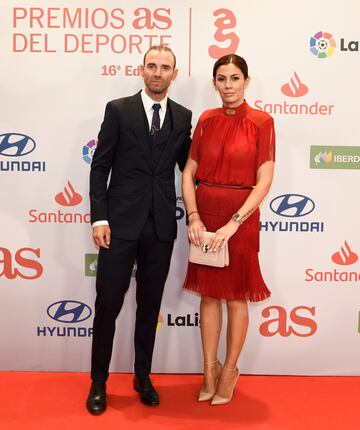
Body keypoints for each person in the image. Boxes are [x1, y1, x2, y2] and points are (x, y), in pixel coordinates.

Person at [87, 45, 192, 414]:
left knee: (149, 307)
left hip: (161, 227)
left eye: (165, 67)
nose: (158, 72)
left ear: (174, 74)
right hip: (118, 225)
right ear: (142, 70)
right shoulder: (118, 110)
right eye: (152, 66)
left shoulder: (183, 116)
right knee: (108, 304)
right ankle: (98, 382)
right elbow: (100, 167)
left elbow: (191, 168)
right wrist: (100, 217)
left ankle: (142, 376)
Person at [182, 54, 275, 405]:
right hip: (204, 215)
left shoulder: (262, 121)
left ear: (247, 82)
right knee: (208, 294)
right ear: (214, 83)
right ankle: (209, 369)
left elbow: (264, 181)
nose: (228, 86)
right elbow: (189, 172)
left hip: (241, 217)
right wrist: (193, 216)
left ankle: (230, 371)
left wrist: (234, 224)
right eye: (222, 79)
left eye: (235, 78)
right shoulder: (206, 119)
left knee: (236, 297)